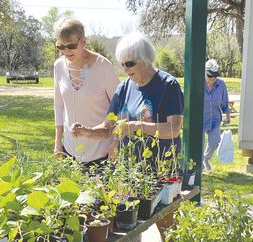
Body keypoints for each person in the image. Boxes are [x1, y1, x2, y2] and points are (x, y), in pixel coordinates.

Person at [71, 32, 184, 163]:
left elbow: (174, 130)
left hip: (161, 169)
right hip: (129, 171)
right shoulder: (123, 88)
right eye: (122, 64)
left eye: (129, 64)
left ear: (144, 59)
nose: (125, 69)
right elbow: (108, 128)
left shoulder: (168, 85)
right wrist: (87, 131)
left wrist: (137, 126)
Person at [53, 17, 119, 165]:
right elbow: (59, 106)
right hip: (69, 151)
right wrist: (58, 142)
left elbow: (119, 107)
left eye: (71, 46)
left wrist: (116, 142)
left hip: (101, 152)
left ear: (83, 42)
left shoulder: (103, 66)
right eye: (61, 46)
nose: (66, 51)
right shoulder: (58, 66)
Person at [202, 59, 231, 171]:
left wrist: (227, 114)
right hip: (200, 118)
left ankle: (206, 158)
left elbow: (225, 102)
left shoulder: (221, 84)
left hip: (215, 118)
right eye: (210, 76)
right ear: (204, 73)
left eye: (215, 76)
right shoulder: (198, 83)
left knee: (215, 141)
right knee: (200, 144)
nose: (213, 78)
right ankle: (200, 167)